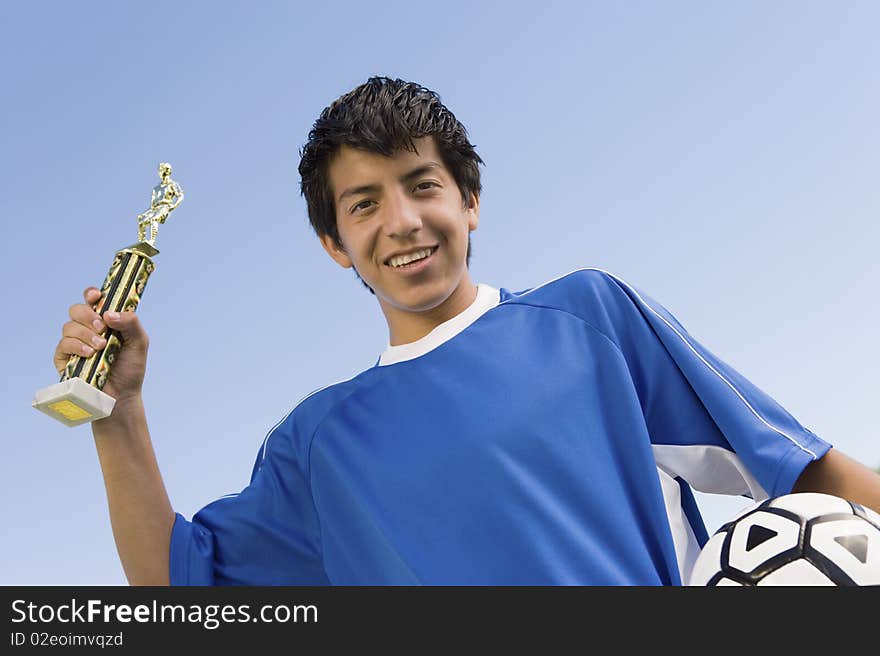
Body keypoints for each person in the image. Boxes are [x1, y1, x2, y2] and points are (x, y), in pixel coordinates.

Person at [54, 76, 880, 585]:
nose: (403, 222)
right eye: (364, 203)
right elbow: (174, 581)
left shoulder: (587, 318)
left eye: (423, 185)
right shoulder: (317, 448)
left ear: (469, 201)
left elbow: (809, 471)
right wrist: (118, 412)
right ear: (334, 245)